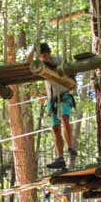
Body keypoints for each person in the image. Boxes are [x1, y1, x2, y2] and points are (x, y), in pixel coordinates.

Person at [40, 42, 76, 170]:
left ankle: (70, 146)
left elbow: (67, 67)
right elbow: (28, 63)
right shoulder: (40, 66)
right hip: (51, 99)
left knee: (65, 118)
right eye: (42, 55)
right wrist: (33, 50)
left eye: (46, 54)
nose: (44, 57)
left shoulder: (58, 59)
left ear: (49, 53)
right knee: (55, 128)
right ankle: (60, 158)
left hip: (63, 93)